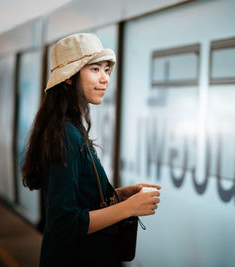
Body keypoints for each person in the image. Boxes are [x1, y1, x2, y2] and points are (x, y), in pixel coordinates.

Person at [21, 33, 161, 266]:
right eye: (95, 69)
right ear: (68, 78)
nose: (105, 78)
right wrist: (127, 209)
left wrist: (118, 194)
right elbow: (62, 223)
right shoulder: (66, 133)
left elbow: (75, 197)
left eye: (106, 69)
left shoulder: (69, 126)